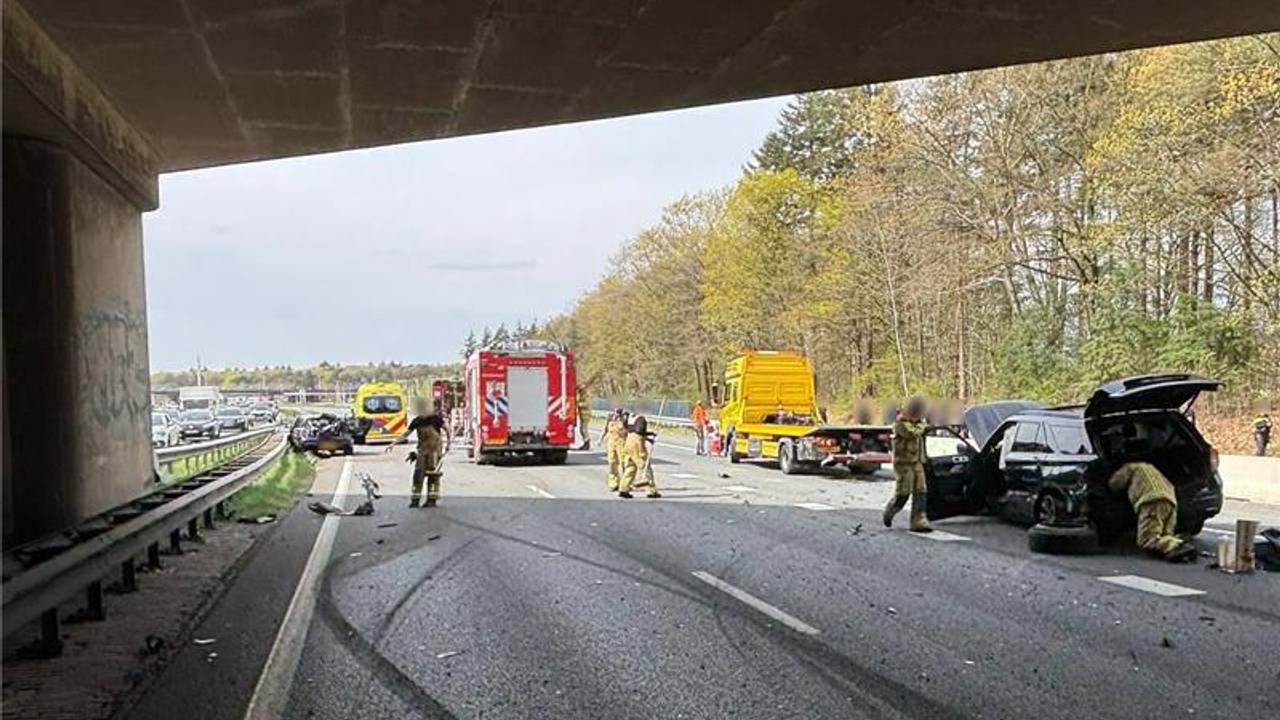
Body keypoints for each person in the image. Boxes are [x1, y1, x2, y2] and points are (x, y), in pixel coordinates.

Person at [1107, 462, 1195, 562]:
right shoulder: (1152, 469)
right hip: (1171, 503)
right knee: (1164, 535)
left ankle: (1178, 545)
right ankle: (1176, 544)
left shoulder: (1130, 468)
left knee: (1146, 539)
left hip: (1152, 502)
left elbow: (1115, 484)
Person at [387, 399, 449, 507]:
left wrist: (449, 444)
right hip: (422, 450)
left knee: (433, 475)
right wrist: (393, 443)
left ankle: (431, 499)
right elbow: (406, 434)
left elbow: (447, 429)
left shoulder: (435, 419)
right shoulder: (417, 421)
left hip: (434, 451)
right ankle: (415, 499)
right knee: (418, 474)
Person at [883, 396, 931, 532]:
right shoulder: (900, 423)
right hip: (904, 463)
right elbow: (912, 433)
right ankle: (890, 511)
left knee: (921, 490)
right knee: (903, 492)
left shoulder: (919, 422)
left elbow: (920, 429)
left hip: (917, 461)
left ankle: (918, 520)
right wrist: (922, 425)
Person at [619, 415, 661, 499]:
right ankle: (651, 490)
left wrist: (649, 439)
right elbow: (639, 431)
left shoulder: (629, 417)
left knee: (630, 467)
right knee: (644, 465)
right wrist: (650, 433)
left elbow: (631, 430)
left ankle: (624, 488)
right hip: (637, 444)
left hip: (629, 441)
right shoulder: (641, 419)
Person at [600, 408, 629, 492]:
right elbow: (605, 429)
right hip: (611, 443)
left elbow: (630, 430)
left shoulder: (625, 417)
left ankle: (625, 483)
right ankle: (613, 483)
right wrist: (600, 439)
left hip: (622, 442)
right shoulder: (610, 416)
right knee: (612, 462)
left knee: (623, 463)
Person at [576, 385, 591, 450]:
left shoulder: (586, 396)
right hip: (582, 415)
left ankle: (587, 442)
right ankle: (585, 442)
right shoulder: (581, 396)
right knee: (581, 429)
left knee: (584, 429)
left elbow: (585, 404)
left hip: (586, 415)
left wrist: (578, 404)